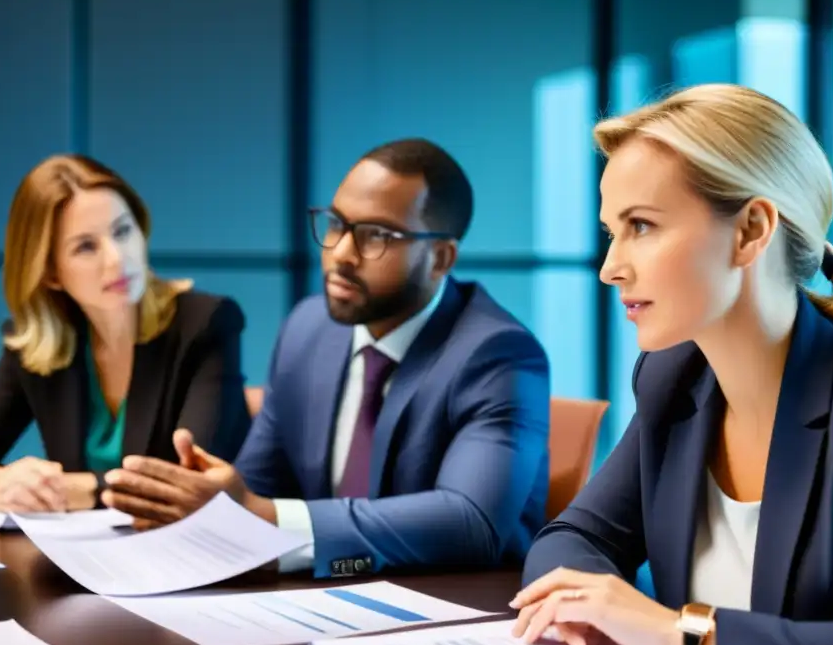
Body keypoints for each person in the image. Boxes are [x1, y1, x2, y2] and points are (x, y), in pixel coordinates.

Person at [510, 84, 833, 645]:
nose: (610, 268)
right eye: (611, 232)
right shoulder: (674, 380)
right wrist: (589, 606)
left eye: (641, 226)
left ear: (750, 231)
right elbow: (571, 541)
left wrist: (677, 631)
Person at [101, 138, 551, 579]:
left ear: (439, 258)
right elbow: (260, 487)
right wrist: (206, 506)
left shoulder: (498, 354)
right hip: (324, 595)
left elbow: (471, 523)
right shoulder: (309, 330)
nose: (340, 253)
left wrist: (262, 515)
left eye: (375, 235)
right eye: (335, 224)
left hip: (457, 614)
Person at [0, 154, 251, 513]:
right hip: (84, 559)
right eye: (86, 246)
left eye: (122, 231)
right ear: (51, 273)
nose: (116, 259)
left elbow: (189, 482)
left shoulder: (205, 323)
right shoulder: (42, 346)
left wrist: (75, 491)